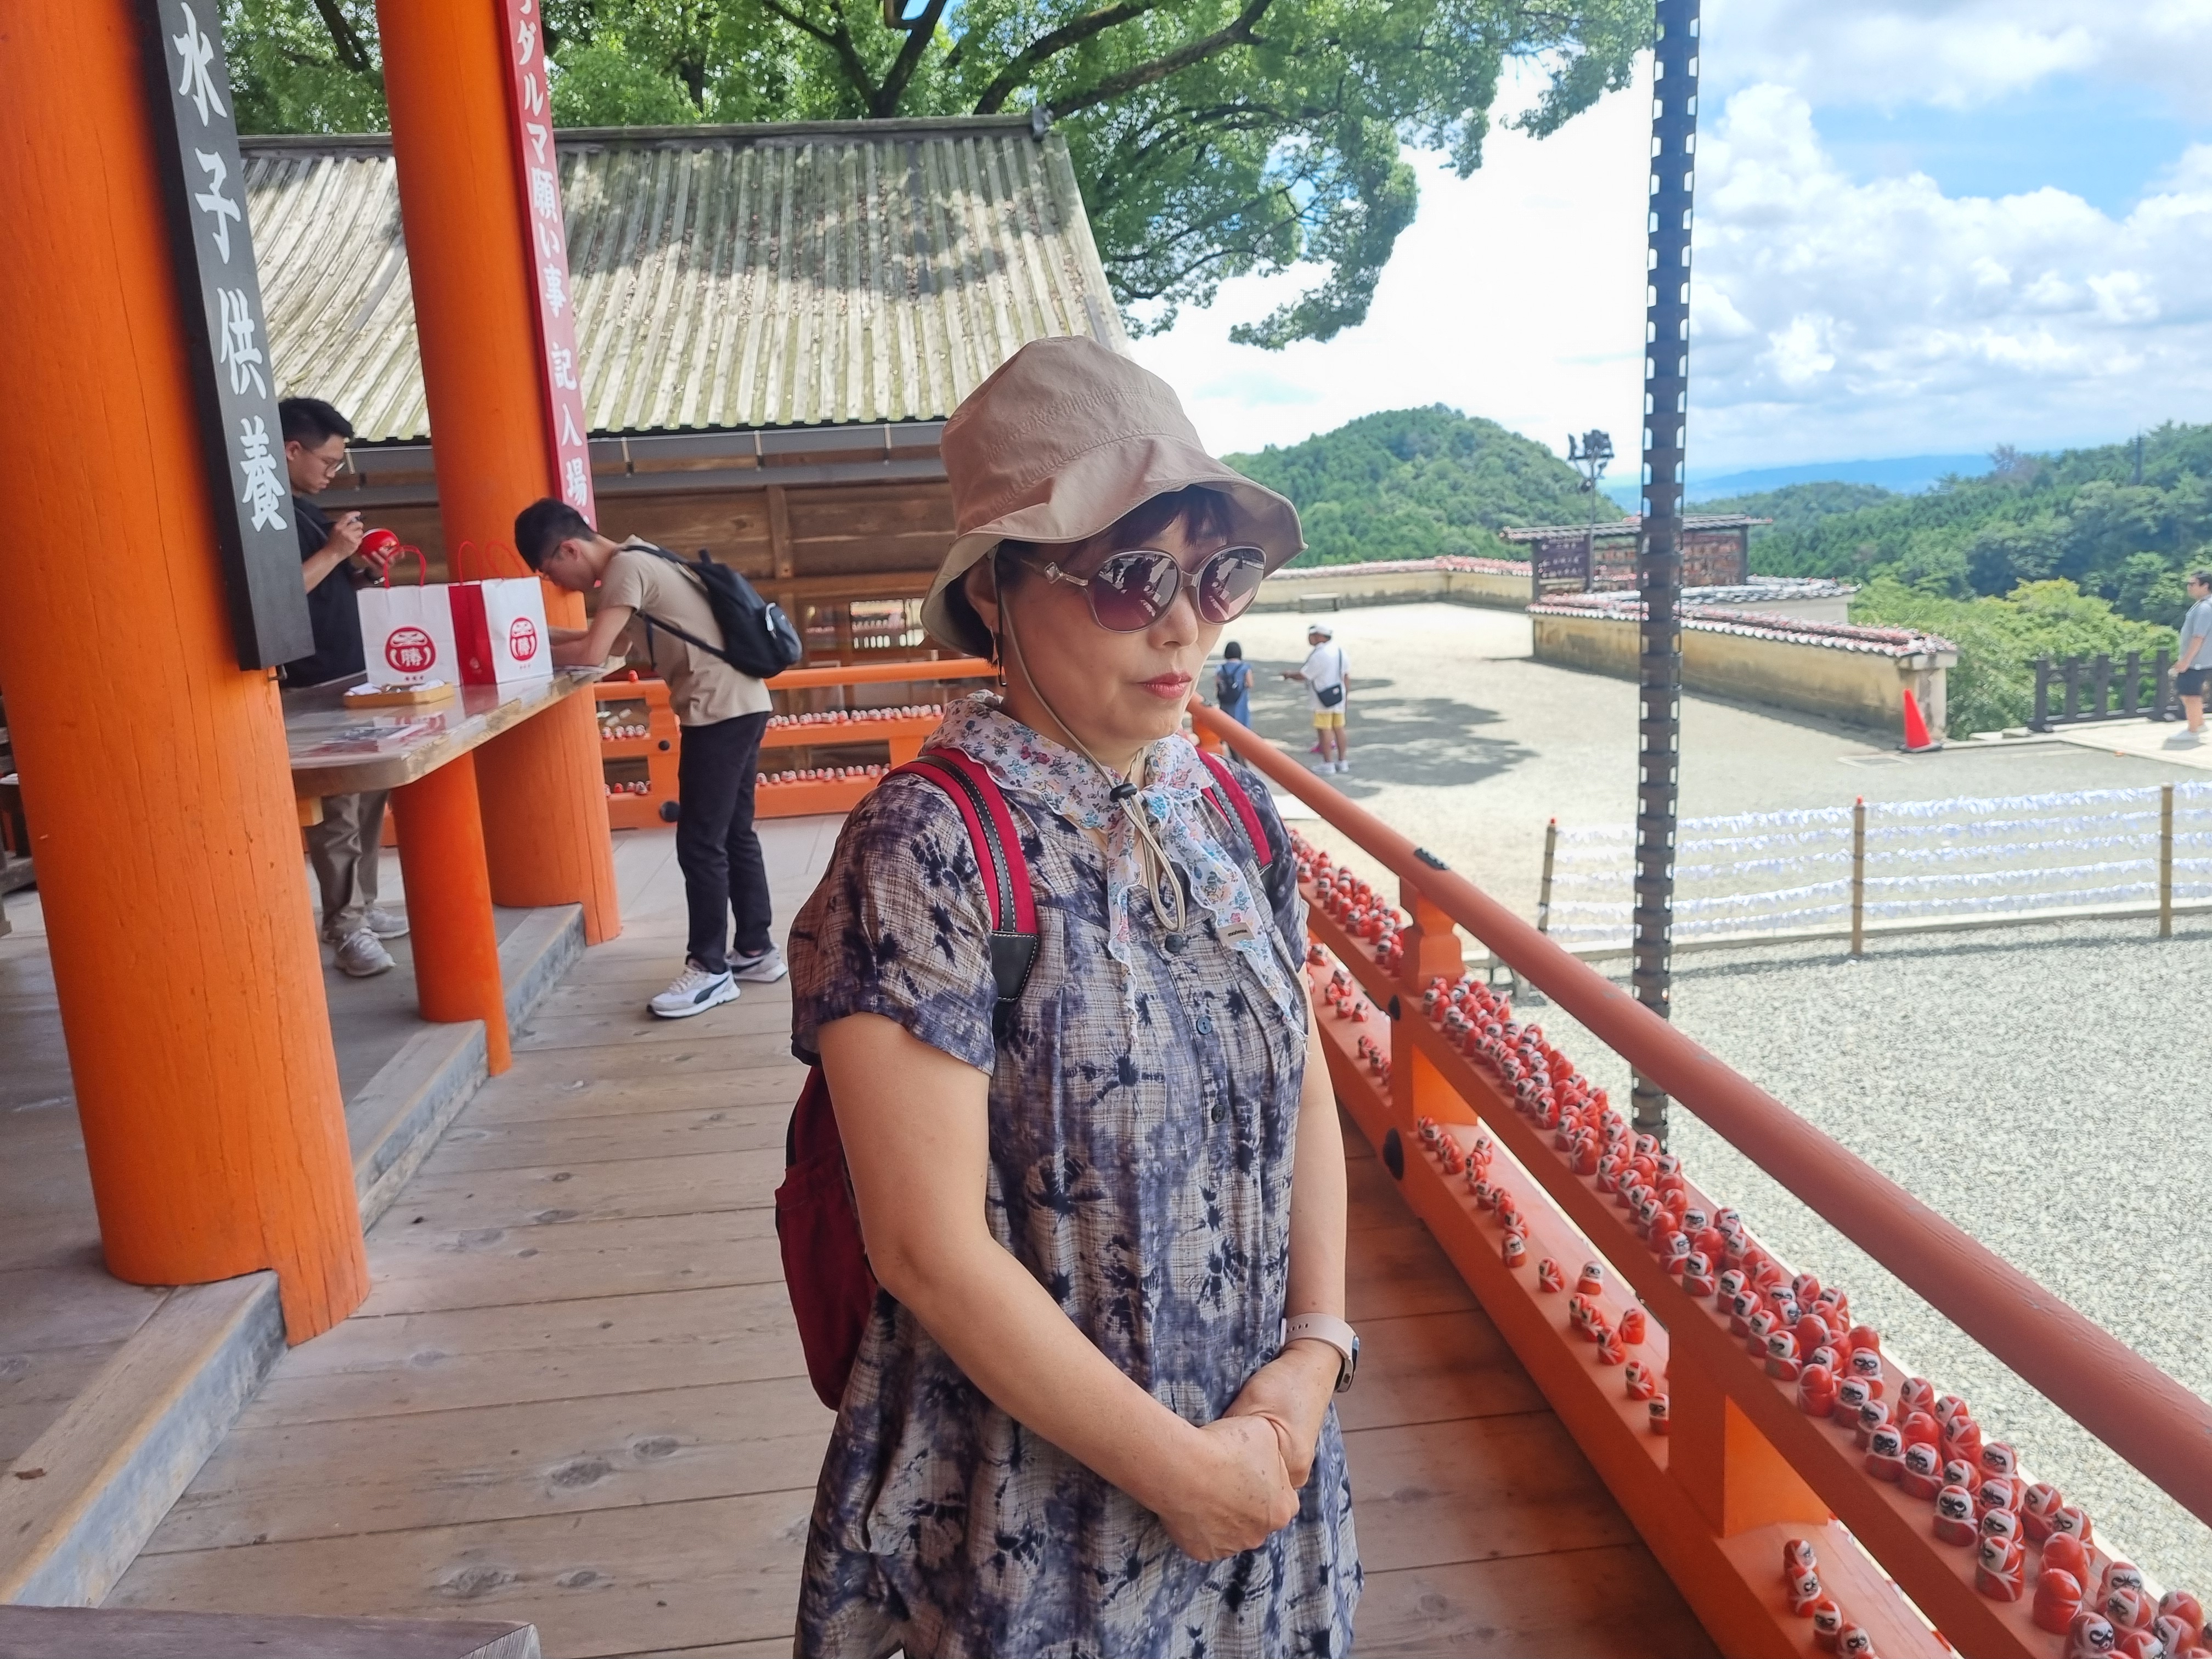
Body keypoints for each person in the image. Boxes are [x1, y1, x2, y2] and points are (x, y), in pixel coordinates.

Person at [787, 336, 1359, 1658]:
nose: (1186, 622)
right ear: (998, 592)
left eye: (1215, 575)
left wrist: (1314, 1354)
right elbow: (924, 1248)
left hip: (1267, 1451)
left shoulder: (1228, 807)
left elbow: (1306, 1082)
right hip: (1028, 1504)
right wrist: (1181, 1472)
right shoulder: (928, 847)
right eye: (1130, 577)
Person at [516, 500, 785, 1018]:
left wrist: (516, 653)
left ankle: (710, 969)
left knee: (700, 843)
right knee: (733, 833)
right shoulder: (643, 556)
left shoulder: (625, 570)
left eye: (551, 572)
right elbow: (614, 643)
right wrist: (540, 639)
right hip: (744, 702)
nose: (558, 584)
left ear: (569, 549)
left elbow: (593, 655)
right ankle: (755, 949)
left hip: (715, 712)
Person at [280, 396, 407, 978]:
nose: (334, 472)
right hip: (311, 681)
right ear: (292, 449)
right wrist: (335, 551)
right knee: (338, 810)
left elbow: (323, 585)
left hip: (353, 673)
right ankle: (345, 925)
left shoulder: (304, 510)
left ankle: (365, 903)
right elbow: (279, 597)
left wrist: (358, 569)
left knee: (368, 794)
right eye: (328, 461)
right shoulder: (263, 515)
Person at [1286, 622, 1350, 772]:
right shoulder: (1340, 651)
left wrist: (1289, 675)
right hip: (1338, 696)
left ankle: (1328, 763)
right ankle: (1343, 761)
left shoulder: (1319, 655)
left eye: (1311, 636)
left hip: (1322, 698)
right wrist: (1346, 696)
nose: (1309, 639)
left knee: (1324, 730)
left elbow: (1304, 675)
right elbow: (1346, 676)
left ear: (1319, 636)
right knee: (1339, 728)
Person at [2174, 570, 2212, 742]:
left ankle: (2193, 730)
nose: (2189, 587)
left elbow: (2199, 637)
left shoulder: (2205, 608)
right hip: (2199, 660)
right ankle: (2199, 723)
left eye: (2192, 584)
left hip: (2197, 661)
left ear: (2205, 586)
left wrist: (2186, 661)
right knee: (2186, 692)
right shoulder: (2203, 604)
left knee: (2191, 695)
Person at [1214, 638, 1253, 725]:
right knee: (1240, 722)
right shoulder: (1245, 667)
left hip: (1225, 699)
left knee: (1225, 721)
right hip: (1240, 699)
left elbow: (1217, 683)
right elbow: (1250, 684)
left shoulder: (1220, 668)